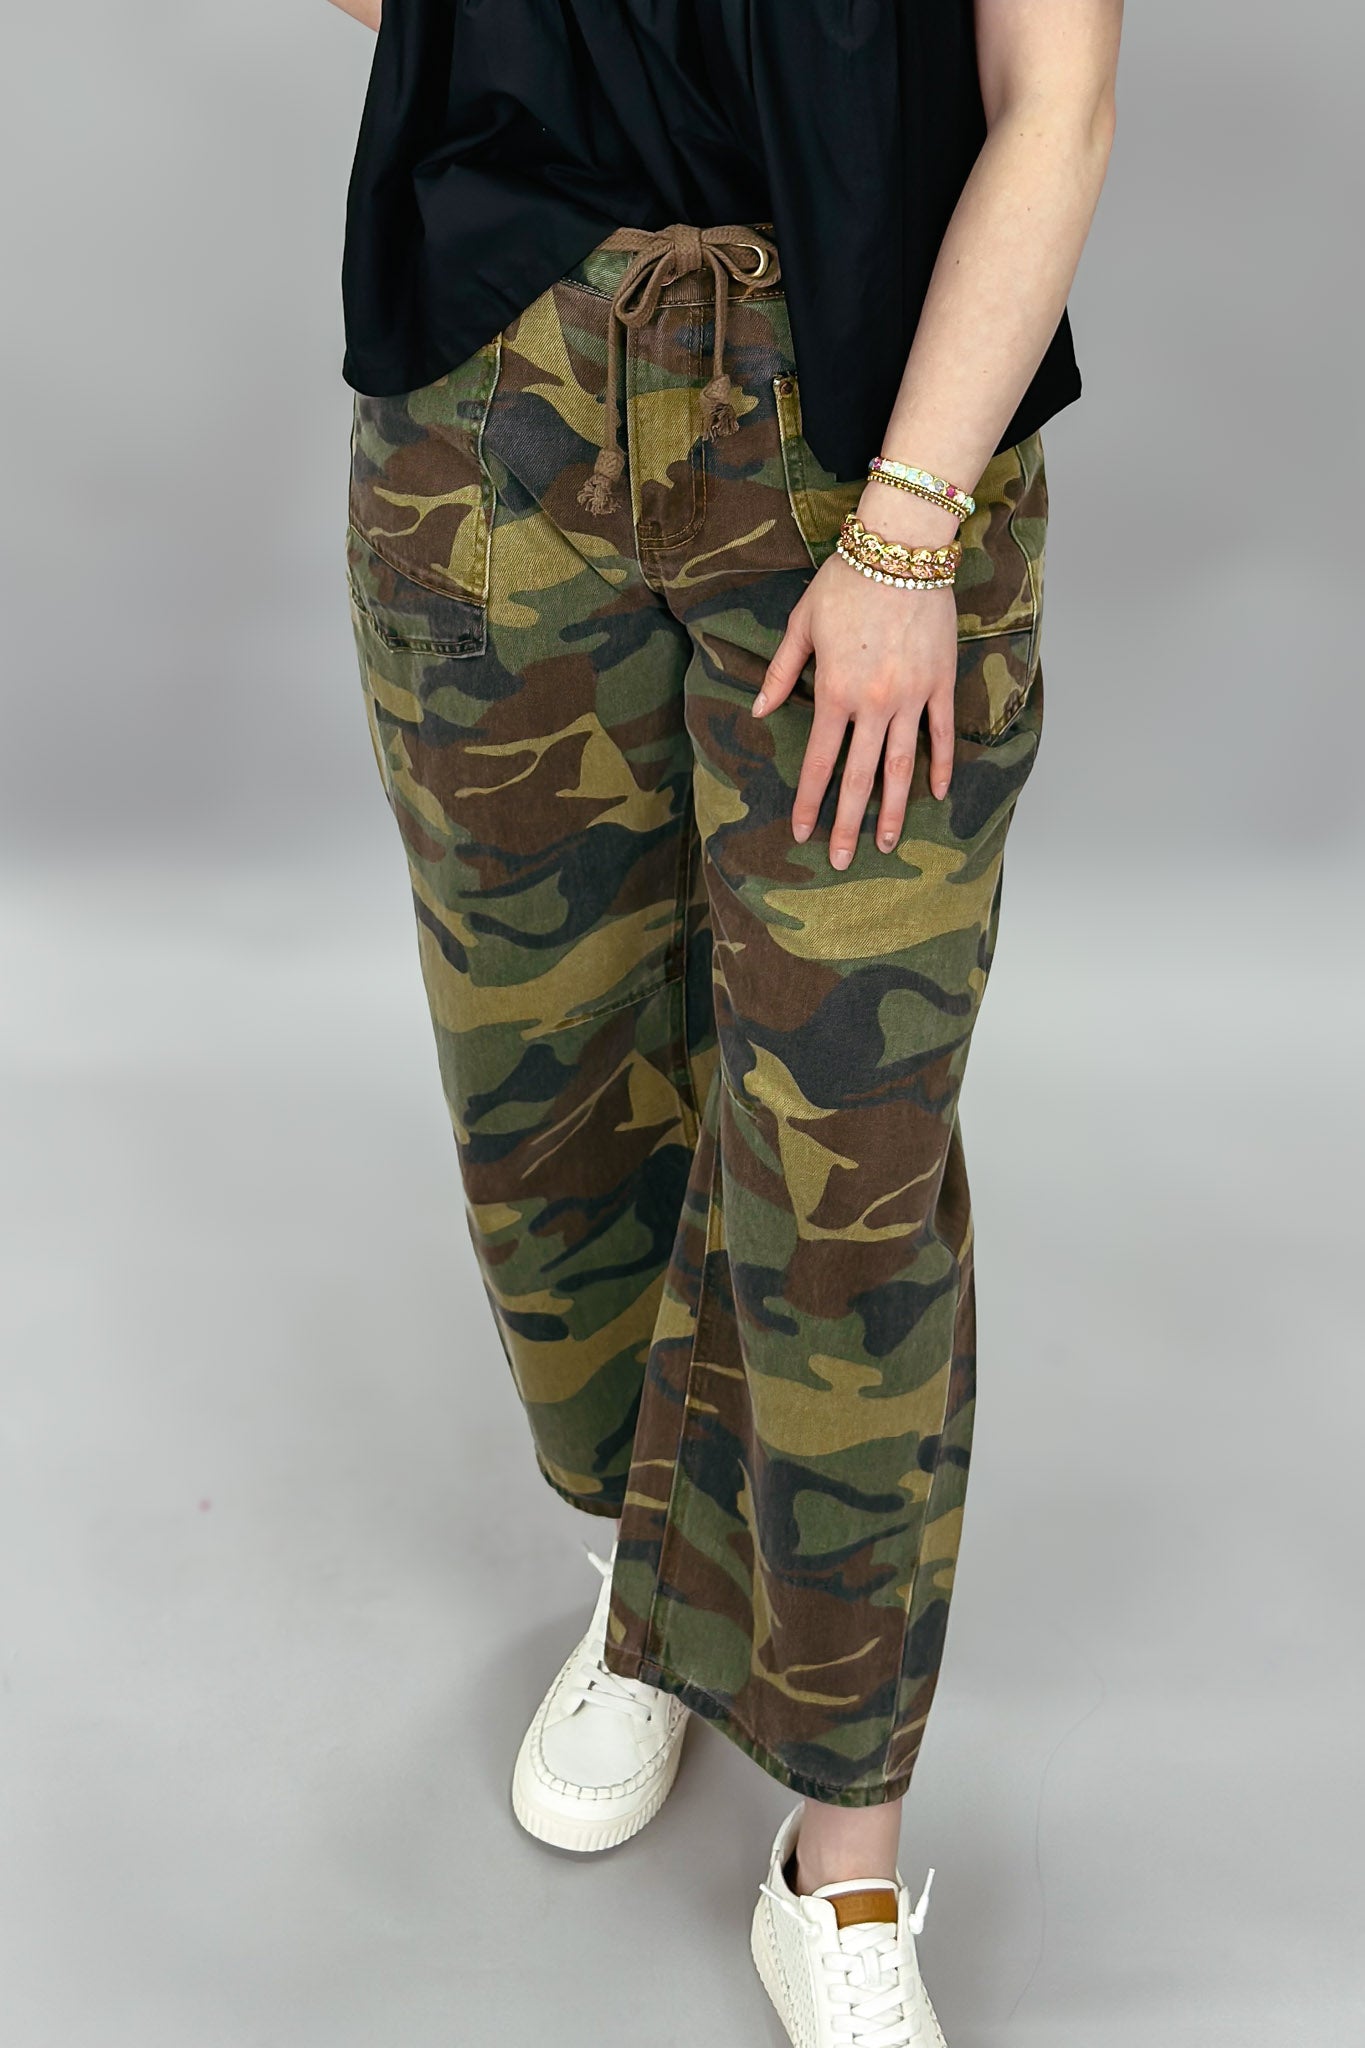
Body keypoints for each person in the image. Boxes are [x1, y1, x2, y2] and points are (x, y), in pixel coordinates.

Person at [325, 1, 1122, 2036]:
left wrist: (908, 525)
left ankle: (836, 1862)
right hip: (498, 392)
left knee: (843, 1163)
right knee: (547, 1083)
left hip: (863, 435)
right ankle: (653, 1593)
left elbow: (1054, 102)